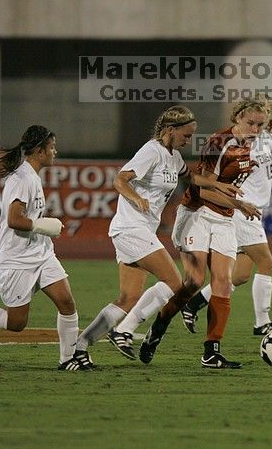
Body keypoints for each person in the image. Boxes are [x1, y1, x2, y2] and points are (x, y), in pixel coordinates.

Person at [72, 106, 245, 361]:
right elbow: (120, 180)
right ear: (170, 130)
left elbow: (193, 179)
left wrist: (218, 184)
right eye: (186, 135)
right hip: (132, 228)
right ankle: (122, 332)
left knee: (127, 298)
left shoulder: (172, 156)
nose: (188, 141)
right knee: (176, 284)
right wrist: (136, 197)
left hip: (137, 231)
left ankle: (80, 348)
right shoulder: (150, 151)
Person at [0, 125, 93, 371]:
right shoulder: (22, 179)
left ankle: (68, 359)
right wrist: (43, 225)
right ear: (39, 151)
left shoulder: (32, 176)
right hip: (17, 259)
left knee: (67, 303)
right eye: (52, 147)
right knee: (16, 323)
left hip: (42, 254)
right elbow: (14, 220)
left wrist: (42, 229)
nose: (55, 152)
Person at [137, 98, 266, 368]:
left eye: (260, 124)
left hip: (224, 219)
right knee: (194, 281)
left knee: (222, 281)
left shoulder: (251, 146)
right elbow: (202, 189)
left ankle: (211, 352)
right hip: (197, 213)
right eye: (250, 123)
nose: (255, 129)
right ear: (237, 118)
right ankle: (158, 328)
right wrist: (241, 204)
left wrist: (236, 202)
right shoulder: (221, 143)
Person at [180, 95, 272, 336]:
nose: (260, 121)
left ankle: (192, 304)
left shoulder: (268, 141)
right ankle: (262, 323)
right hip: (241, 209)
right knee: (267, 263)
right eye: (256, 117)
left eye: (266, 114)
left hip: (254, 211)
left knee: (240, 276)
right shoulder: (241, 141)